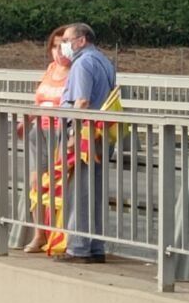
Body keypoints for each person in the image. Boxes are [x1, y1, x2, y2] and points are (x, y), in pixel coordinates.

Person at [57, 22, 117, 264]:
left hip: (84, 135)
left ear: (81, 40)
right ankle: (96, 246)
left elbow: (81, 102)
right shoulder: (104, 61)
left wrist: (73, 135)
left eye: (67, 40)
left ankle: (78, 247)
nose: (64, 46)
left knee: (79, 190)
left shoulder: (82, 63)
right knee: (95, 191)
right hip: (101, 132)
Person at [13, 25, 72, 253]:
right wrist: (25, 122)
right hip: (40, 131)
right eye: (54, 46)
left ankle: (59, 236)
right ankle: (39, 234)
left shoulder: (76, 72)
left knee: (58, 185)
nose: (57, 51)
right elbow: (40, 101)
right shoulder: (50, 69)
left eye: (62, 46)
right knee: (36, 183)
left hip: (61, 132)